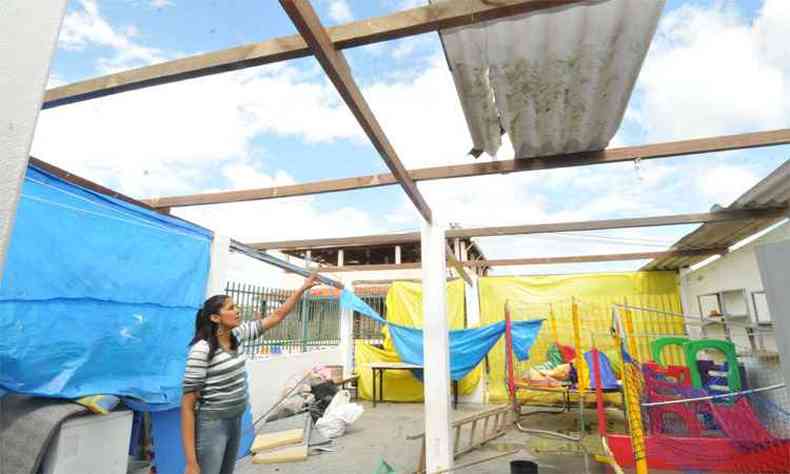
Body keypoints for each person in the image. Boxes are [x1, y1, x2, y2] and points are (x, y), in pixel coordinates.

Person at [181, 274, 320, 474]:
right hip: (213, 425)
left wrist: (302, 289)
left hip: (235, 420)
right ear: (215, 318)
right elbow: (187, 407)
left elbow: (277, 316)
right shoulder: (201, 350)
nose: (237, 311)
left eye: (236, 306)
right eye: (231, 308)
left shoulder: (238, 335)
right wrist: (191, 462)